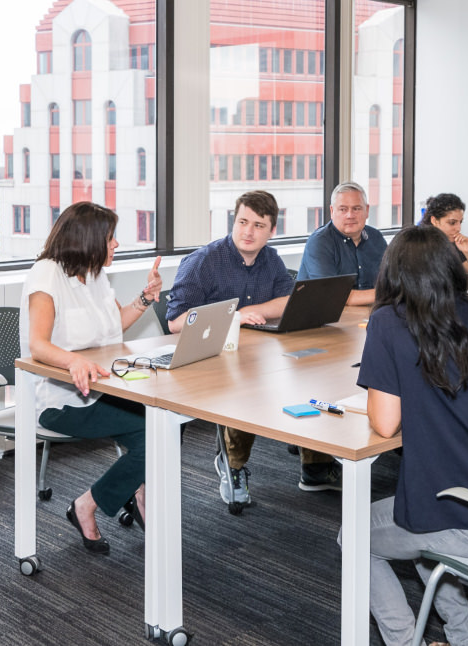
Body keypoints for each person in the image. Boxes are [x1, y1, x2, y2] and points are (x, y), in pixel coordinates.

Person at [353, 225, 468, 646]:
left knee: (354, 535)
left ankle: (406, 641)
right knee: (419, 527)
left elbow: (385, 424)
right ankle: (462, 638)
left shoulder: (389, 323)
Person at [167, 190, 340, 508]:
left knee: (314, 374)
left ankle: (316, 465)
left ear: (272, 230)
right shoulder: (204, 261)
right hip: (208, 358)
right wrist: (235, 315)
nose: (248, 231)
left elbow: (289, 300)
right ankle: (232, 465)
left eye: (259, 225)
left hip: (253, 351)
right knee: (245, 388)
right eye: (243, 222)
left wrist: (252, 311)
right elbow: (176, 322)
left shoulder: (270, 259)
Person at [20, 201, 162, 555]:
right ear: (89, 239)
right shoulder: (46, 274)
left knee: (170, 422)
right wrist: (72, 361)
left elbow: (115, 325)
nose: (116, 245)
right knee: (154, 433)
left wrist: (145, 299)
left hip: (106, 388)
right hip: (64, 400)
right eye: (111, 238)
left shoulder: (96, 273)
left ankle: (133, 486)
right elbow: (38, 344)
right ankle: (89, 504)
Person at [297, 181, 388, 306]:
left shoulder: (376, 238)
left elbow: (390, 280)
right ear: (332, 211)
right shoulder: (320, 242)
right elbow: (333, 295)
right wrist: (388, 293)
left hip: (367, 315)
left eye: (356, 209)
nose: (350, 215)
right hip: (325, 317)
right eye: (343, 209)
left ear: (367, 210)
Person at [417, 193, 468, 279]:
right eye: (452, 223)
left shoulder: (453, 243)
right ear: (435, 221)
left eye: (460, 222)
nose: (458, 228)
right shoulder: (420, 245)